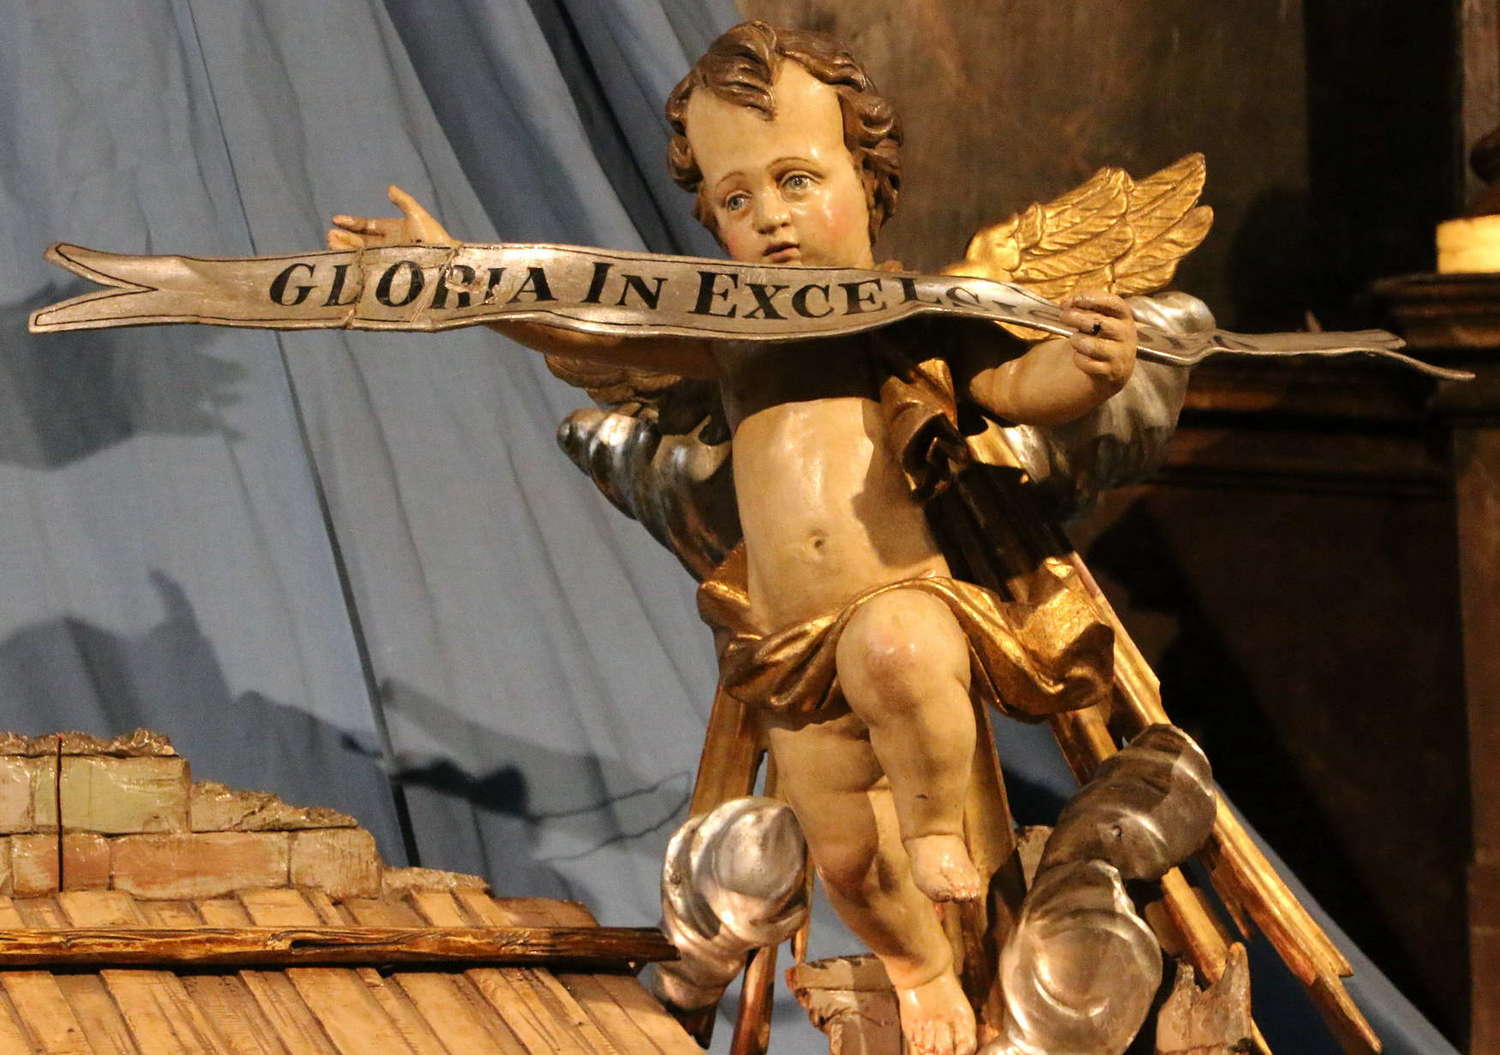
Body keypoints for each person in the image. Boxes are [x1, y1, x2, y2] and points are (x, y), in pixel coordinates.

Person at [328, 22, 1137, 1055]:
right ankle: (917, 966)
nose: (771, 218)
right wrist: (457, 273)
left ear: (869, 179)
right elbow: (583, 321)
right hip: (788, 642)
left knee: (898, 651)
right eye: (736, 199)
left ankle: (939, 824)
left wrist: (1090, 370)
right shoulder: (731, 335)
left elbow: (1015, 383)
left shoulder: (911, 316)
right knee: (844, 855)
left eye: (797, 180)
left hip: (901, 596)